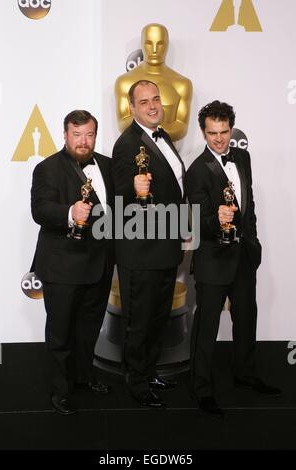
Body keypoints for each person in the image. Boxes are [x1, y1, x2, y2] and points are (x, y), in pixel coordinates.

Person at [185, 100, 281, 416]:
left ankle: (246, 374)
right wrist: (217, 218)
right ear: (203, 131)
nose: (219, 139)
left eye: (224, 132)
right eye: (212, 133)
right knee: (206, 325)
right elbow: (196, 220)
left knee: (246, 318)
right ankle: (201, 389)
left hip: (243, 255)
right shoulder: (197, 170)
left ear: (231, 128)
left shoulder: (243, 157)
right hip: (213, 258)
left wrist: (252, 241)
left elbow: (249, 203)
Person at [31, 110, 114, 415]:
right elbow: (40, 210)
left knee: (88, 328)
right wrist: (69, 213)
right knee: (60, 332)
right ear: (64, 135)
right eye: (76, 134)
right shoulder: (47, 168)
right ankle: (59, 390)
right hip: (63, 266)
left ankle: (83, 376)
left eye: (89, 134)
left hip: (100, 263)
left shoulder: (106, 164)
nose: (83, 141)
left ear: (95, 134)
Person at [112, 80, 185, 407]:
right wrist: (133, 185)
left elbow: (173, 188)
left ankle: (149, 369)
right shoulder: (126, 144)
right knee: (139, 319)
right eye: (144, 102)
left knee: (156, 316)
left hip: (166, 245)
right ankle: (137, 381)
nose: (153, 105)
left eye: (156, 99)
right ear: (132, 108)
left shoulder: (164, 135)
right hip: (140, 250)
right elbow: (117, 195)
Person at [115, 23, 193, 142]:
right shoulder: (124, 82)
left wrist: (153, 128)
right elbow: (122, 124)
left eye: (160, 44)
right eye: (149, 43)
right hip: (134, 154)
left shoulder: (182, 84)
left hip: (169, 157)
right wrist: (155, 127)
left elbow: (182, 127)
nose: (155, 50)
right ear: (142, 44)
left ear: (166, 45)